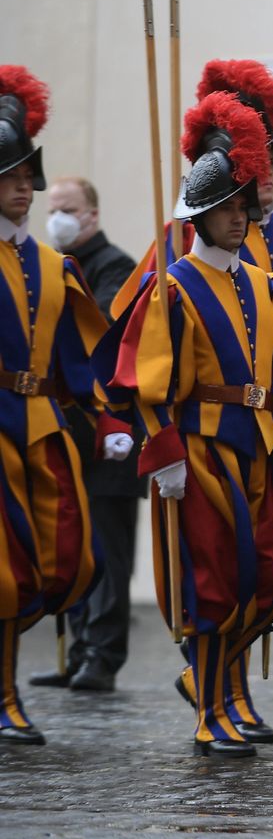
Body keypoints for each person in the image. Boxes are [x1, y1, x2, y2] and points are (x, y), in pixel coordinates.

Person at [97, 91, 273, 758]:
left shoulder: (261, 283)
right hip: (203, 447)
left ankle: (225, 694)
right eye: (228, 208)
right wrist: (165, 454)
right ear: (202, 215)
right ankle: (211, 707)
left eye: (246, 206)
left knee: (269, 574)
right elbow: (148, 381)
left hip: (260, 443)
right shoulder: (175, 286)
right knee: (215, 581)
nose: (241, 218)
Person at [0, 67, 107, 744]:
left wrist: (114, 418)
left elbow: (80, 358)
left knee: (58, 563)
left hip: (41, 431)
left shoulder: (50, 263)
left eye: (25, 176)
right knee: (4, 572)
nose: (23, 186)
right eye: (9, 175)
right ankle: (5, 693)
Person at [23, 177, 139, 693]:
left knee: (109, 549)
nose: (57, 218)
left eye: (67, 209)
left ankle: (103, 655)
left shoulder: (112, 264)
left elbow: (101, 330)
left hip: (110, 432)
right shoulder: (49, 268)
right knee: (71, 540)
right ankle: (73, 651)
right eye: (53, 209)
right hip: (71, 431)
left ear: (91, 214)